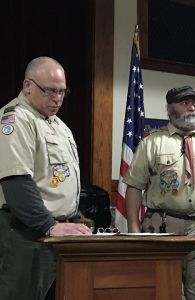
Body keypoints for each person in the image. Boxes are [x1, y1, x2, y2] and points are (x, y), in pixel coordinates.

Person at [123, 85, 195, 299]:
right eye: (185, 103)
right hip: (163, 225)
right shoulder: (152, 143)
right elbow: (134, 186)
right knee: (164, 289)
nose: (192, 107)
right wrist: (133, 227)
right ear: (170, 109)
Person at [0, 57, 92, 300]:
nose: (57, 98)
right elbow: (16, 182)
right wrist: (50, 225)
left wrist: (72, 220)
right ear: (27, 86)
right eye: (50, 91)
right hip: (27, 236)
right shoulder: (15, 119)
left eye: (62, 91)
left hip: (57, 234)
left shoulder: (59, 125)